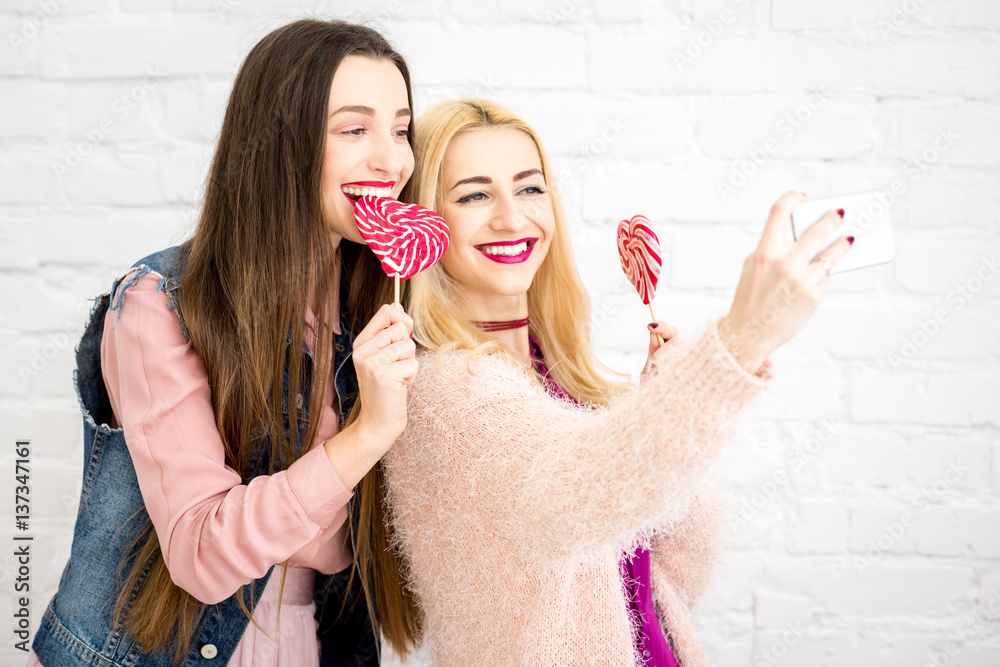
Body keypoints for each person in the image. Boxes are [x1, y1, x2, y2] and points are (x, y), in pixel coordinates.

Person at [370, 99, 854, 666]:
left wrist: (657, 411)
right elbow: (575, 490)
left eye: (530, 188)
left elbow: (672, 575)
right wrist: (740, 342)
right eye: (474, 195)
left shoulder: (556, 375)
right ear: (423, 220)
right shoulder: (443, 390)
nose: (511, 217)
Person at [29, 19, 422, 667]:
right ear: (281, 144)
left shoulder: (372, 314)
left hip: (315, 642)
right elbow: (202, 557)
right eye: (355, 129)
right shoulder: (161, 302)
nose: (392, 159)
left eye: (401, 128)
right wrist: (367, 434)